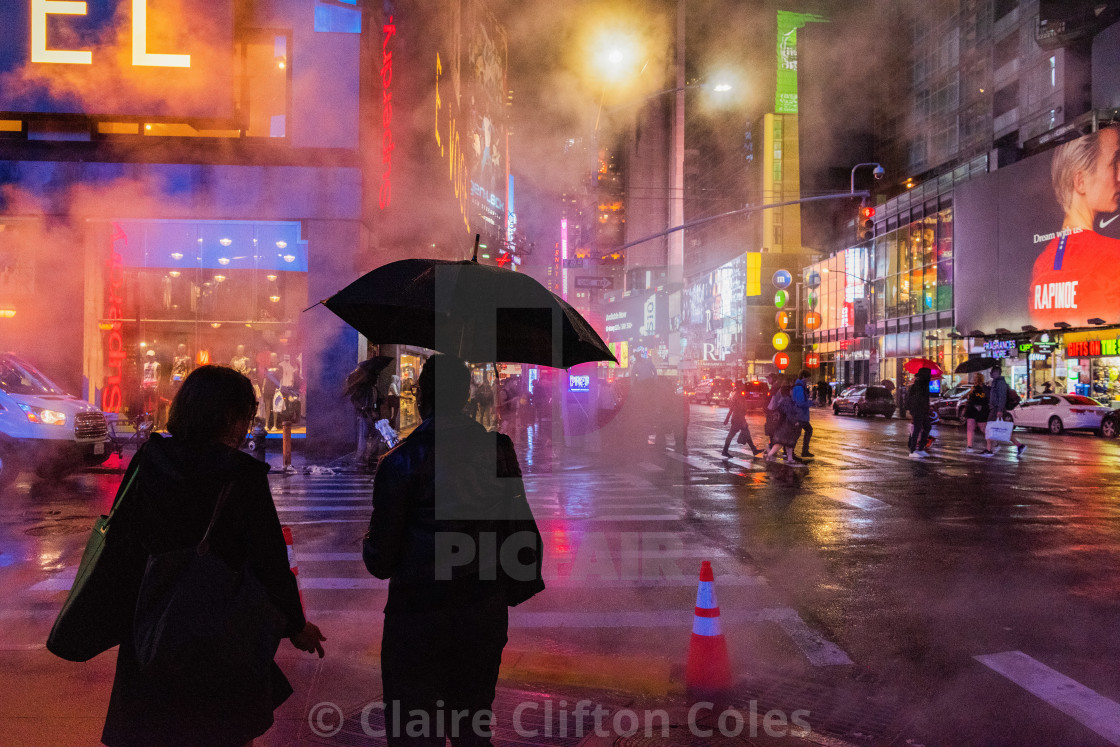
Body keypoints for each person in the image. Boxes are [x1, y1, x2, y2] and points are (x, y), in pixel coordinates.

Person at [102, 365, 326, 746]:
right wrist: (295, 625)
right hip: (220, 638)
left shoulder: (148, 460)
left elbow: (119, 543)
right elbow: (270, 561)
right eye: (247, 416)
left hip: (152, 629)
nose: (247, 427)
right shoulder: (242, 474)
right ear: (229, 417)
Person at [364, 355, 544, 745]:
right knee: (471, 727)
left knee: (415, 731)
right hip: (482, 613)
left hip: (417, 618)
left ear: (422, 396)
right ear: (465, 397)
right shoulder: (498, 451)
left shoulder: (400, 461)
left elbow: (379, 560)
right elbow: (519, 526)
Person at [1029, 125, 1120, 326]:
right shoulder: (1113, 255)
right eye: (1114, 164)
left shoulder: (1041, 263)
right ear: (1080, 182)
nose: (1119, 177)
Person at [984, 366, 1027, 458]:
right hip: (995, 409)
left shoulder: (1000, 383)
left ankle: (989, 449)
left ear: (996, 373)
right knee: (1002, 431)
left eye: (992, 372)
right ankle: (1019, 445)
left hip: (996, 409)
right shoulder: (996, 383)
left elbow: (1002, 397)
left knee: (989, 428)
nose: (990, 374)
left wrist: (999, 410)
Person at [764, 383, 803, 465]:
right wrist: (795, 421)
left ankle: (789, 458)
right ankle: (769, 454)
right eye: (792, 390)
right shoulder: (787, 400)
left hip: (785, 425)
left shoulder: (785, 399)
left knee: (788, 442)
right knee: (782, 442)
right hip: (787, 425)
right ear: (788, 391)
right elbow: (789, 413)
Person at [722, 381, 762, 458]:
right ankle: (725, 450)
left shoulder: (737, 395)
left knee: (746, 433)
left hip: (738, 418)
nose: (744, 386)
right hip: (738, 419)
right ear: (739, 386)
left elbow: (732, 409)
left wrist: (727, 419)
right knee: (732, 435)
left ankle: (754, 450)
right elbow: (737, 409)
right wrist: (729, 419)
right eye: (742, 385)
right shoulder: (738, 396)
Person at [906, 367, 933, 458]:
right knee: (918, 428)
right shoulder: (919, 385)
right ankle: (913, 450)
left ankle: (920, 448)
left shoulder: (923, 384)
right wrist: (913, 409)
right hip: (918, 409)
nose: (930, 376)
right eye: (929, 374)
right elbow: (915, 398)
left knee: (926, 427)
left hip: (922, 409)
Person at [962, 373, 990, 453]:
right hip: (976, 410)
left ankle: (970, 446)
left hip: (975, 410)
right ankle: (969, 445)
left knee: (977, 428)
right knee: (974, 428)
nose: (974, 379)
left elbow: (975, 399)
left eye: (975, 378)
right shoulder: (976, 388)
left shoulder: (979, 389)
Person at [790, 370, 815, 458]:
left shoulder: (799, 386)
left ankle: (791, 452)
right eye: (808, 378)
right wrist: (811, 403)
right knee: (803, 432)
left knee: (797, 433)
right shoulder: (800, 388)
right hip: (800, 414)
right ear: (804, 377)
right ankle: (801, 451)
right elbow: (800, 403)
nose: (808, 380)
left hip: (799, 414)